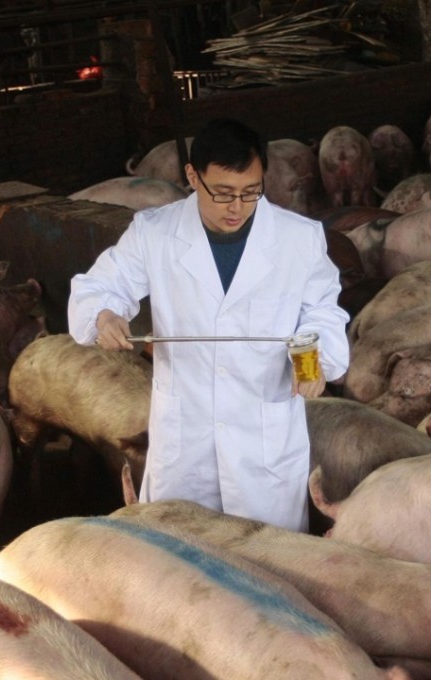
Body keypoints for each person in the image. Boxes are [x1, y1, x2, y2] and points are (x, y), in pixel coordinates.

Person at [67, 118, 349, 531]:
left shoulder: (299, 239)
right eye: (223, 193)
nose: (237, 207)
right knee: (181, 562)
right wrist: (104, 315)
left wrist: (312, 360)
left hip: (263, 445)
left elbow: (322, 312)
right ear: (192, 177)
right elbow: (98, 287)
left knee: (267, 566)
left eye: (251, 192)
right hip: (185, 443)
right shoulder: (155, 232)